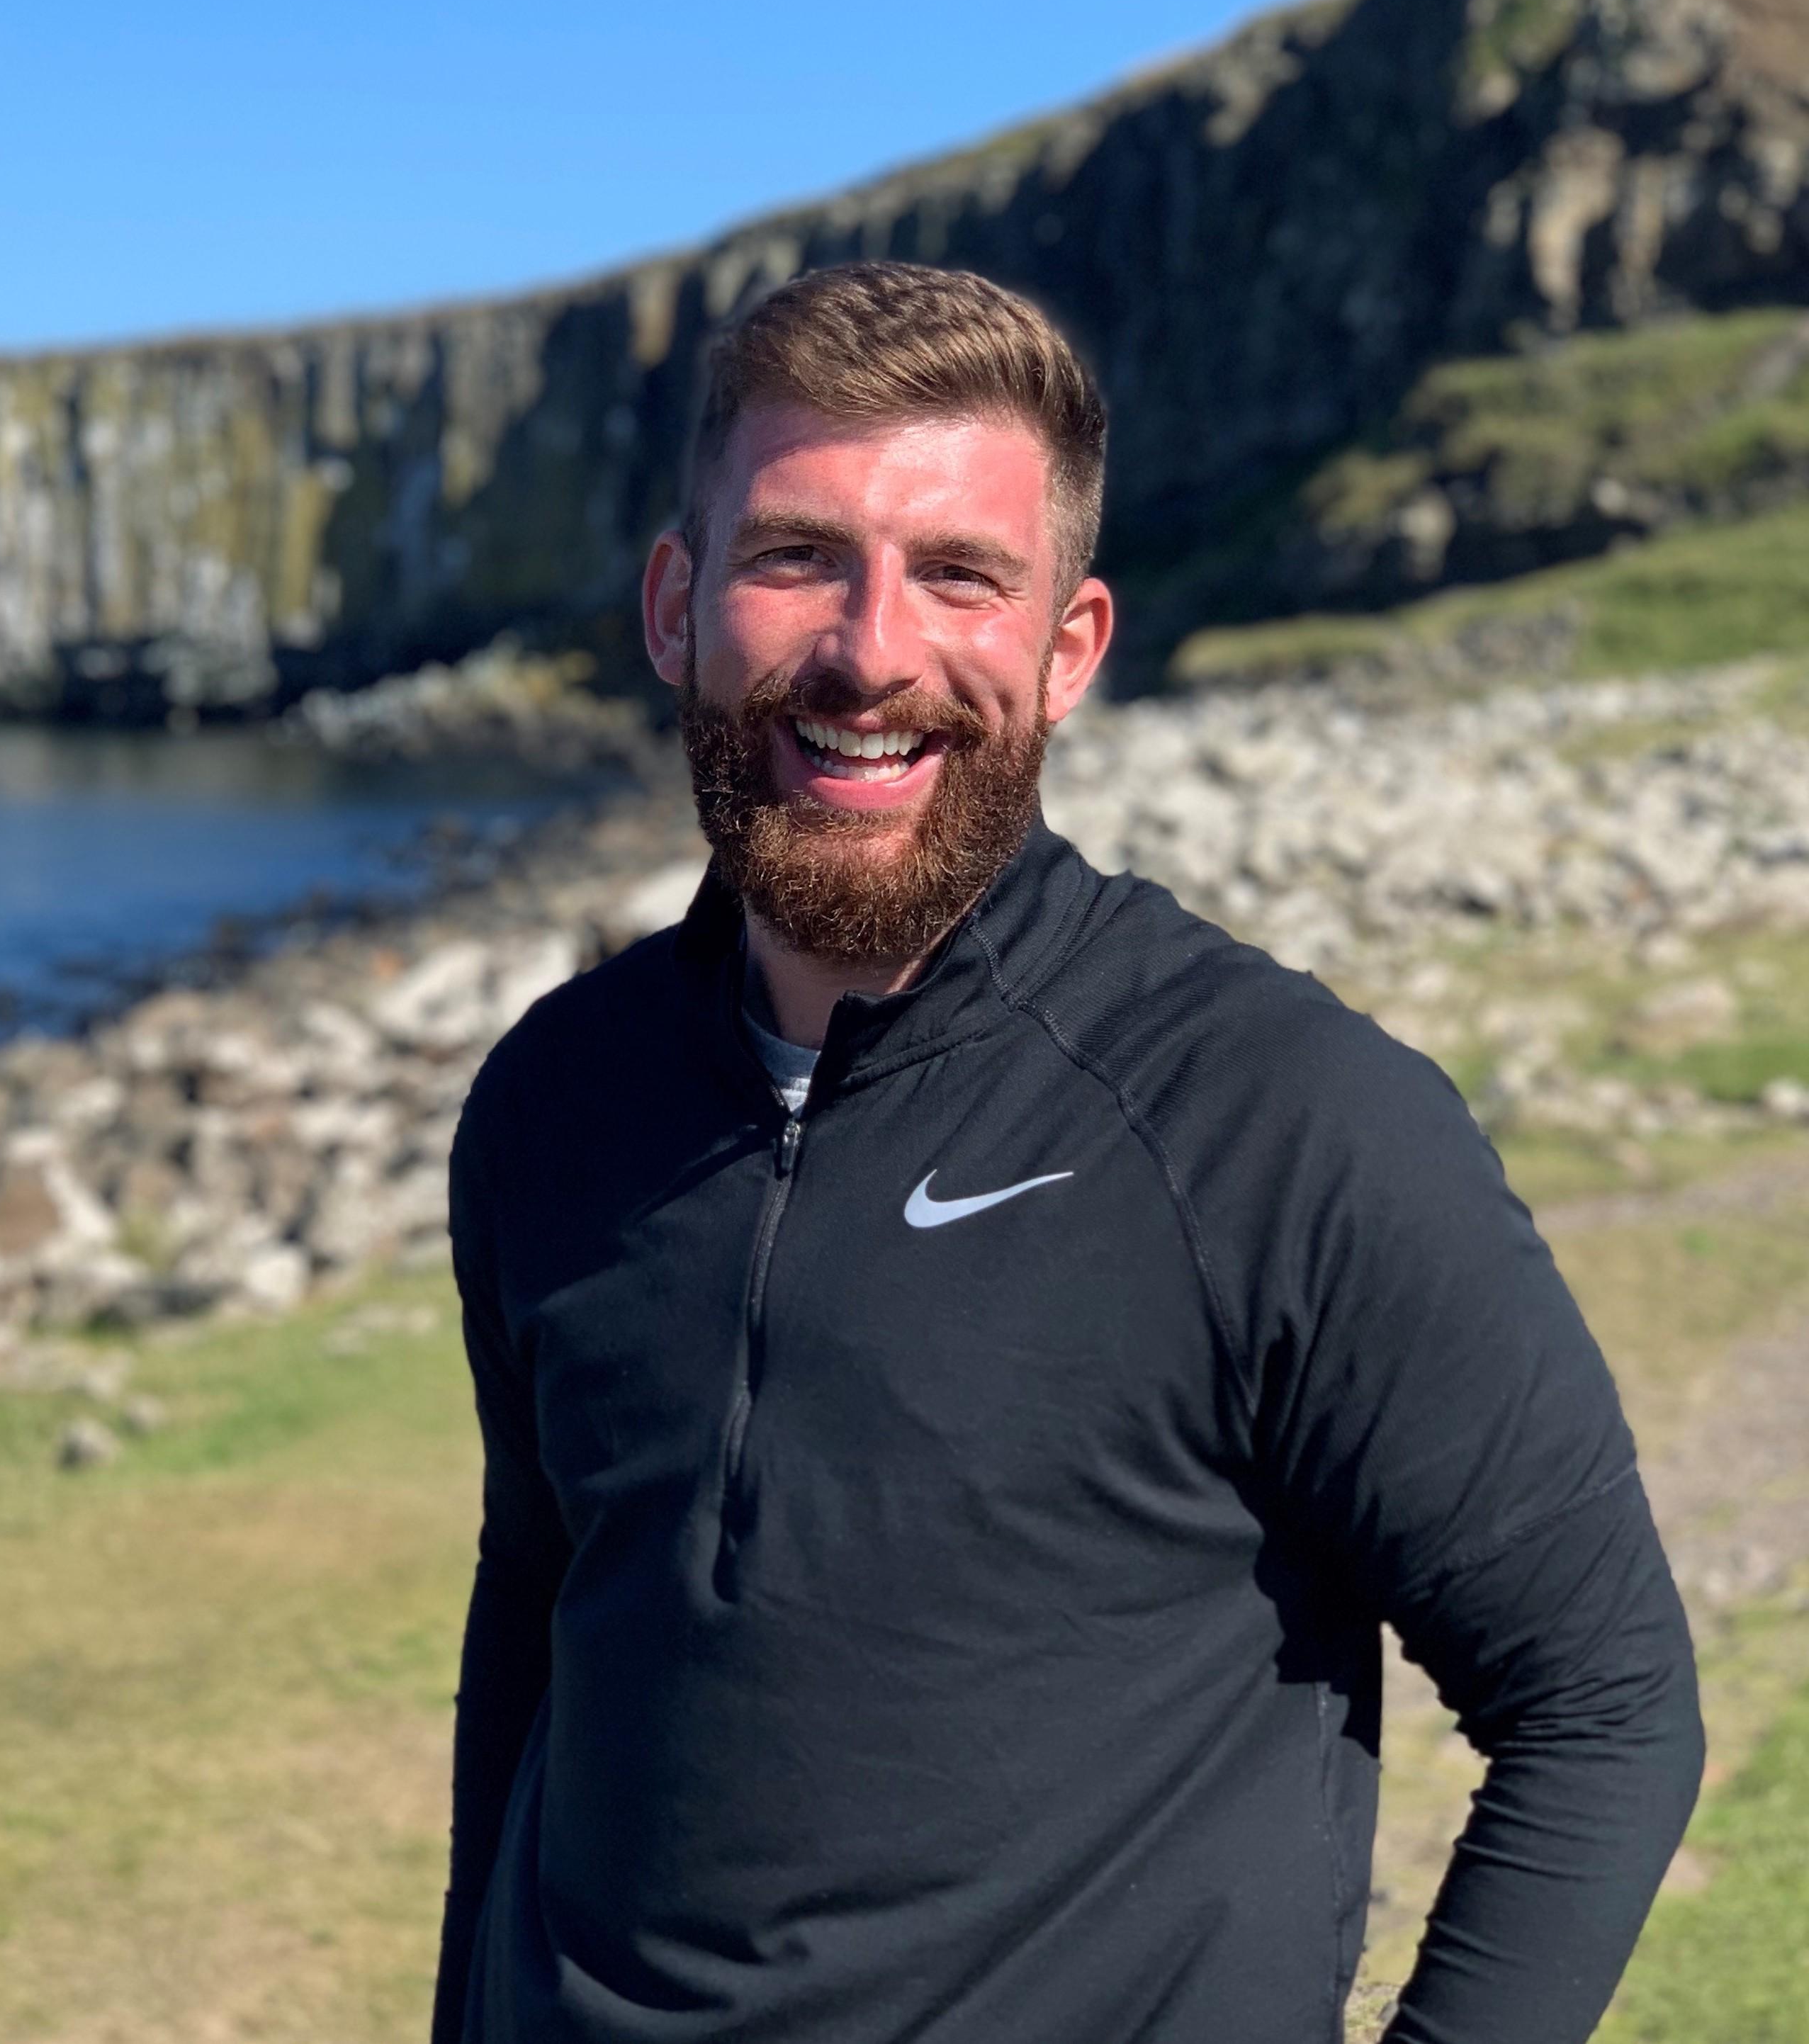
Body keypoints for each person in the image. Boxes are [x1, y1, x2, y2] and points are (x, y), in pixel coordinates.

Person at [432, 261, 1702, 2044]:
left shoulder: (1283, 1121)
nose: (871, 650)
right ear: (673, 599)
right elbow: (537, 1614)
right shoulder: (553, 1103)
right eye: (796, 554)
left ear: (1069, 646)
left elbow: (1602, 1702)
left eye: (961, 573)